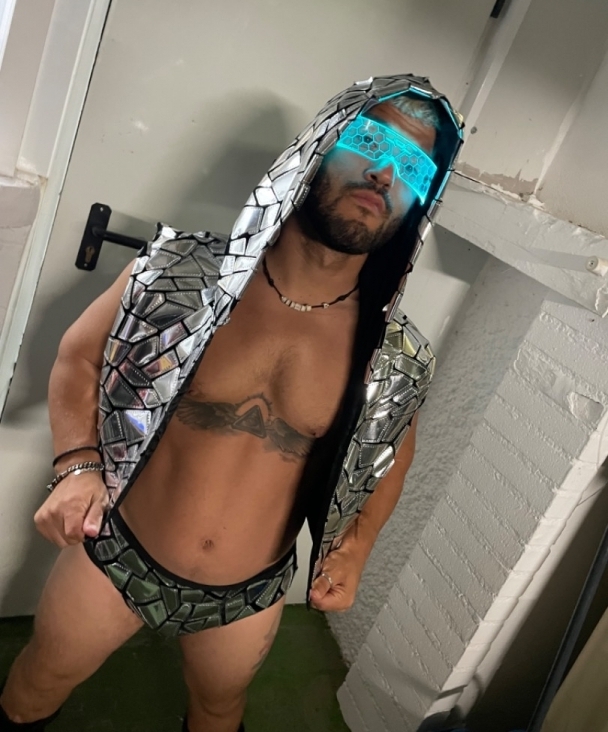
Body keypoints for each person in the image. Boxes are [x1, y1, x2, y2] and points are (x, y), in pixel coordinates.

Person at [0, 74, 464, 732]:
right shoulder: (180, 271)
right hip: (118, 553)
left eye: (413, 167)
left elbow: (393, 455)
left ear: (420, 201)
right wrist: (77, 467)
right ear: (318, 147)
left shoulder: (391, 357)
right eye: (371, 142)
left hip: (248, 594)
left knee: (218, 712)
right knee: (35, 686)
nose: (385, 174)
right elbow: (79, 356)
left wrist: (356, 548)